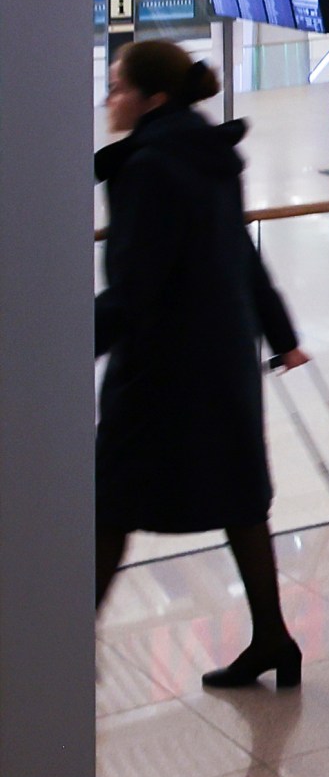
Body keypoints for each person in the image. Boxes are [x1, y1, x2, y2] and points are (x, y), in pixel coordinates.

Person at [94, 41, 309, 689]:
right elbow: (239, 249)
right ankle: (273, 638)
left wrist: (57, 345)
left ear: (151, 98)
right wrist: (279, 333)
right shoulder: (207, 154)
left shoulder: (148, 167)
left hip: (163, 369)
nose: (109, 100)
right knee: (241, 499)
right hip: (222, 357)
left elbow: (136, 286)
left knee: (109, 505)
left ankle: (63, 645)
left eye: (116, 88)